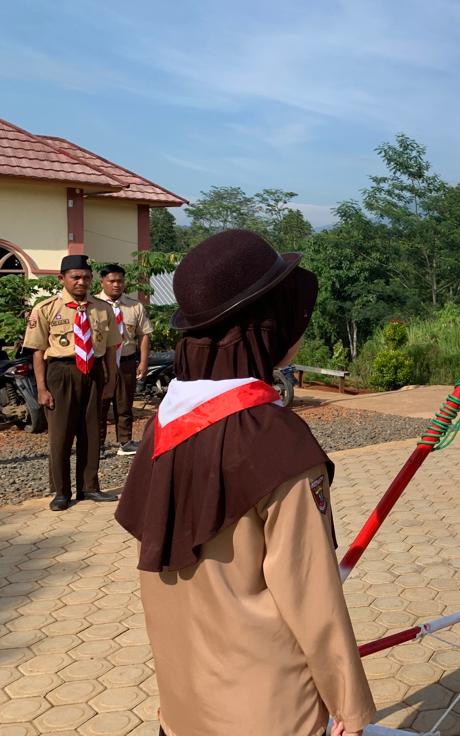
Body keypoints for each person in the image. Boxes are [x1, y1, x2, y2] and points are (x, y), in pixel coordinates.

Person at [115, 231, 374, 736]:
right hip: (270, 707)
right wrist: (350, 704)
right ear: (267, 325)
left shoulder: (162, 426)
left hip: (183, 703)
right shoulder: (276, 442)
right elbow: (311, 594)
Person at [23, 254, 119, 511]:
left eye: (86, 277)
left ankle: (89, 487)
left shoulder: (102, 308)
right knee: (60, 435)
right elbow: (37, 351)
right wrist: (41, 388)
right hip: (61, 373)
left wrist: (110, 382)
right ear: (62, 278)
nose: (81, 282)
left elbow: (110, 349)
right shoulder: (46, 309)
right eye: (75, 277)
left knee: (91, 433)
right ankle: (61, 492)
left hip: (93, 372)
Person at [96, 263, 153, 456]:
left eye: (120, 281)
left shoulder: (134, 306)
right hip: (101, 363)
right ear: (102, 282)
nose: (116, 285)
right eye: (111, 281)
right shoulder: (93, 305)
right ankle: (98, 444)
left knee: (124, 403)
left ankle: (125, 442)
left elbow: (144, 335)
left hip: (127, 361)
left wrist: (143, 362)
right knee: (100, 404)